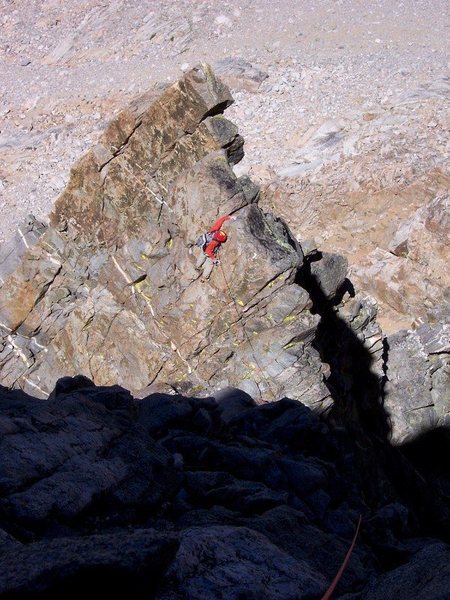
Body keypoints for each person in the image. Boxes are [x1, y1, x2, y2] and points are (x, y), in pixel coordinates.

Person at [196, 214, 236, 279]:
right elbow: (209, 252)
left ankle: (197, 266)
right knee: (210, 264)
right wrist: (214, 259)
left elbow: (220, 221)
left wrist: (229, 217)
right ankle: (204, 278)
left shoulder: (214, 230)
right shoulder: (214, 243)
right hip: (207, 250)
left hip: (204, 246)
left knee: (201, 256)